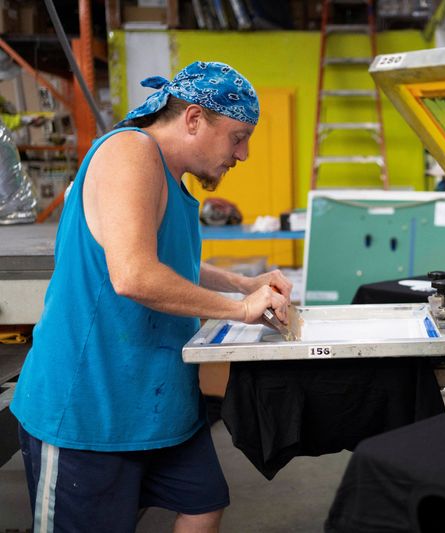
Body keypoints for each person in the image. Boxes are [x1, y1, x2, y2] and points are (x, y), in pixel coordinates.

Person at [10, 60, 293, 532]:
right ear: (194, 119)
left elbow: (165, 257)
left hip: (152, 401)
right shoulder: (131, 153)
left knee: (203, 502)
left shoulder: (167, 175)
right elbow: (135, 275)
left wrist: (243, 283)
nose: (242, 155)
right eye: (238, 137)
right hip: (90, 406)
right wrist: (240, 309)